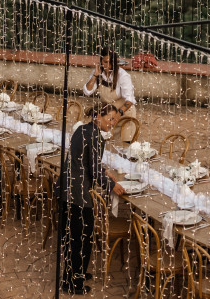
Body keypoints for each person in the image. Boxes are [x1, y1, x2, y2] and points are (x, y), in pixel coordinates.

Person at [58, 103, 125, 295]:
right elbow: (94, 172)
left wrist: (104, 171)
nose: (112, 123)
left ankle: (75, 273)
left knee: (72, 237)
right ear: (98, 117)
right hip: (77, 193)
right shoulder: (96, 137)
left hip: (66, 187)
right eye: (109, 119)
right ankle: (73, 283)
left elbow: (85, 160)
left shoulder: (82, 129)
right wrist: (112, 185)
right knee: (82, 239)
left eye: (114, 120)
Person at [83, 47, 137, 119]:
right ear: (101, 61)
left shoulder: (123, 76)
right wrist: (95, 75)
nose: (108, 66)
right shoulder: (97, 72)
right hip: (108, 113)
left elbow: (130, 100)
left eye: (111, 62)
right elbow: (87, 92)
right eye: (105, 62)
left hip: (124, 113)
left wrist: (117, 115)